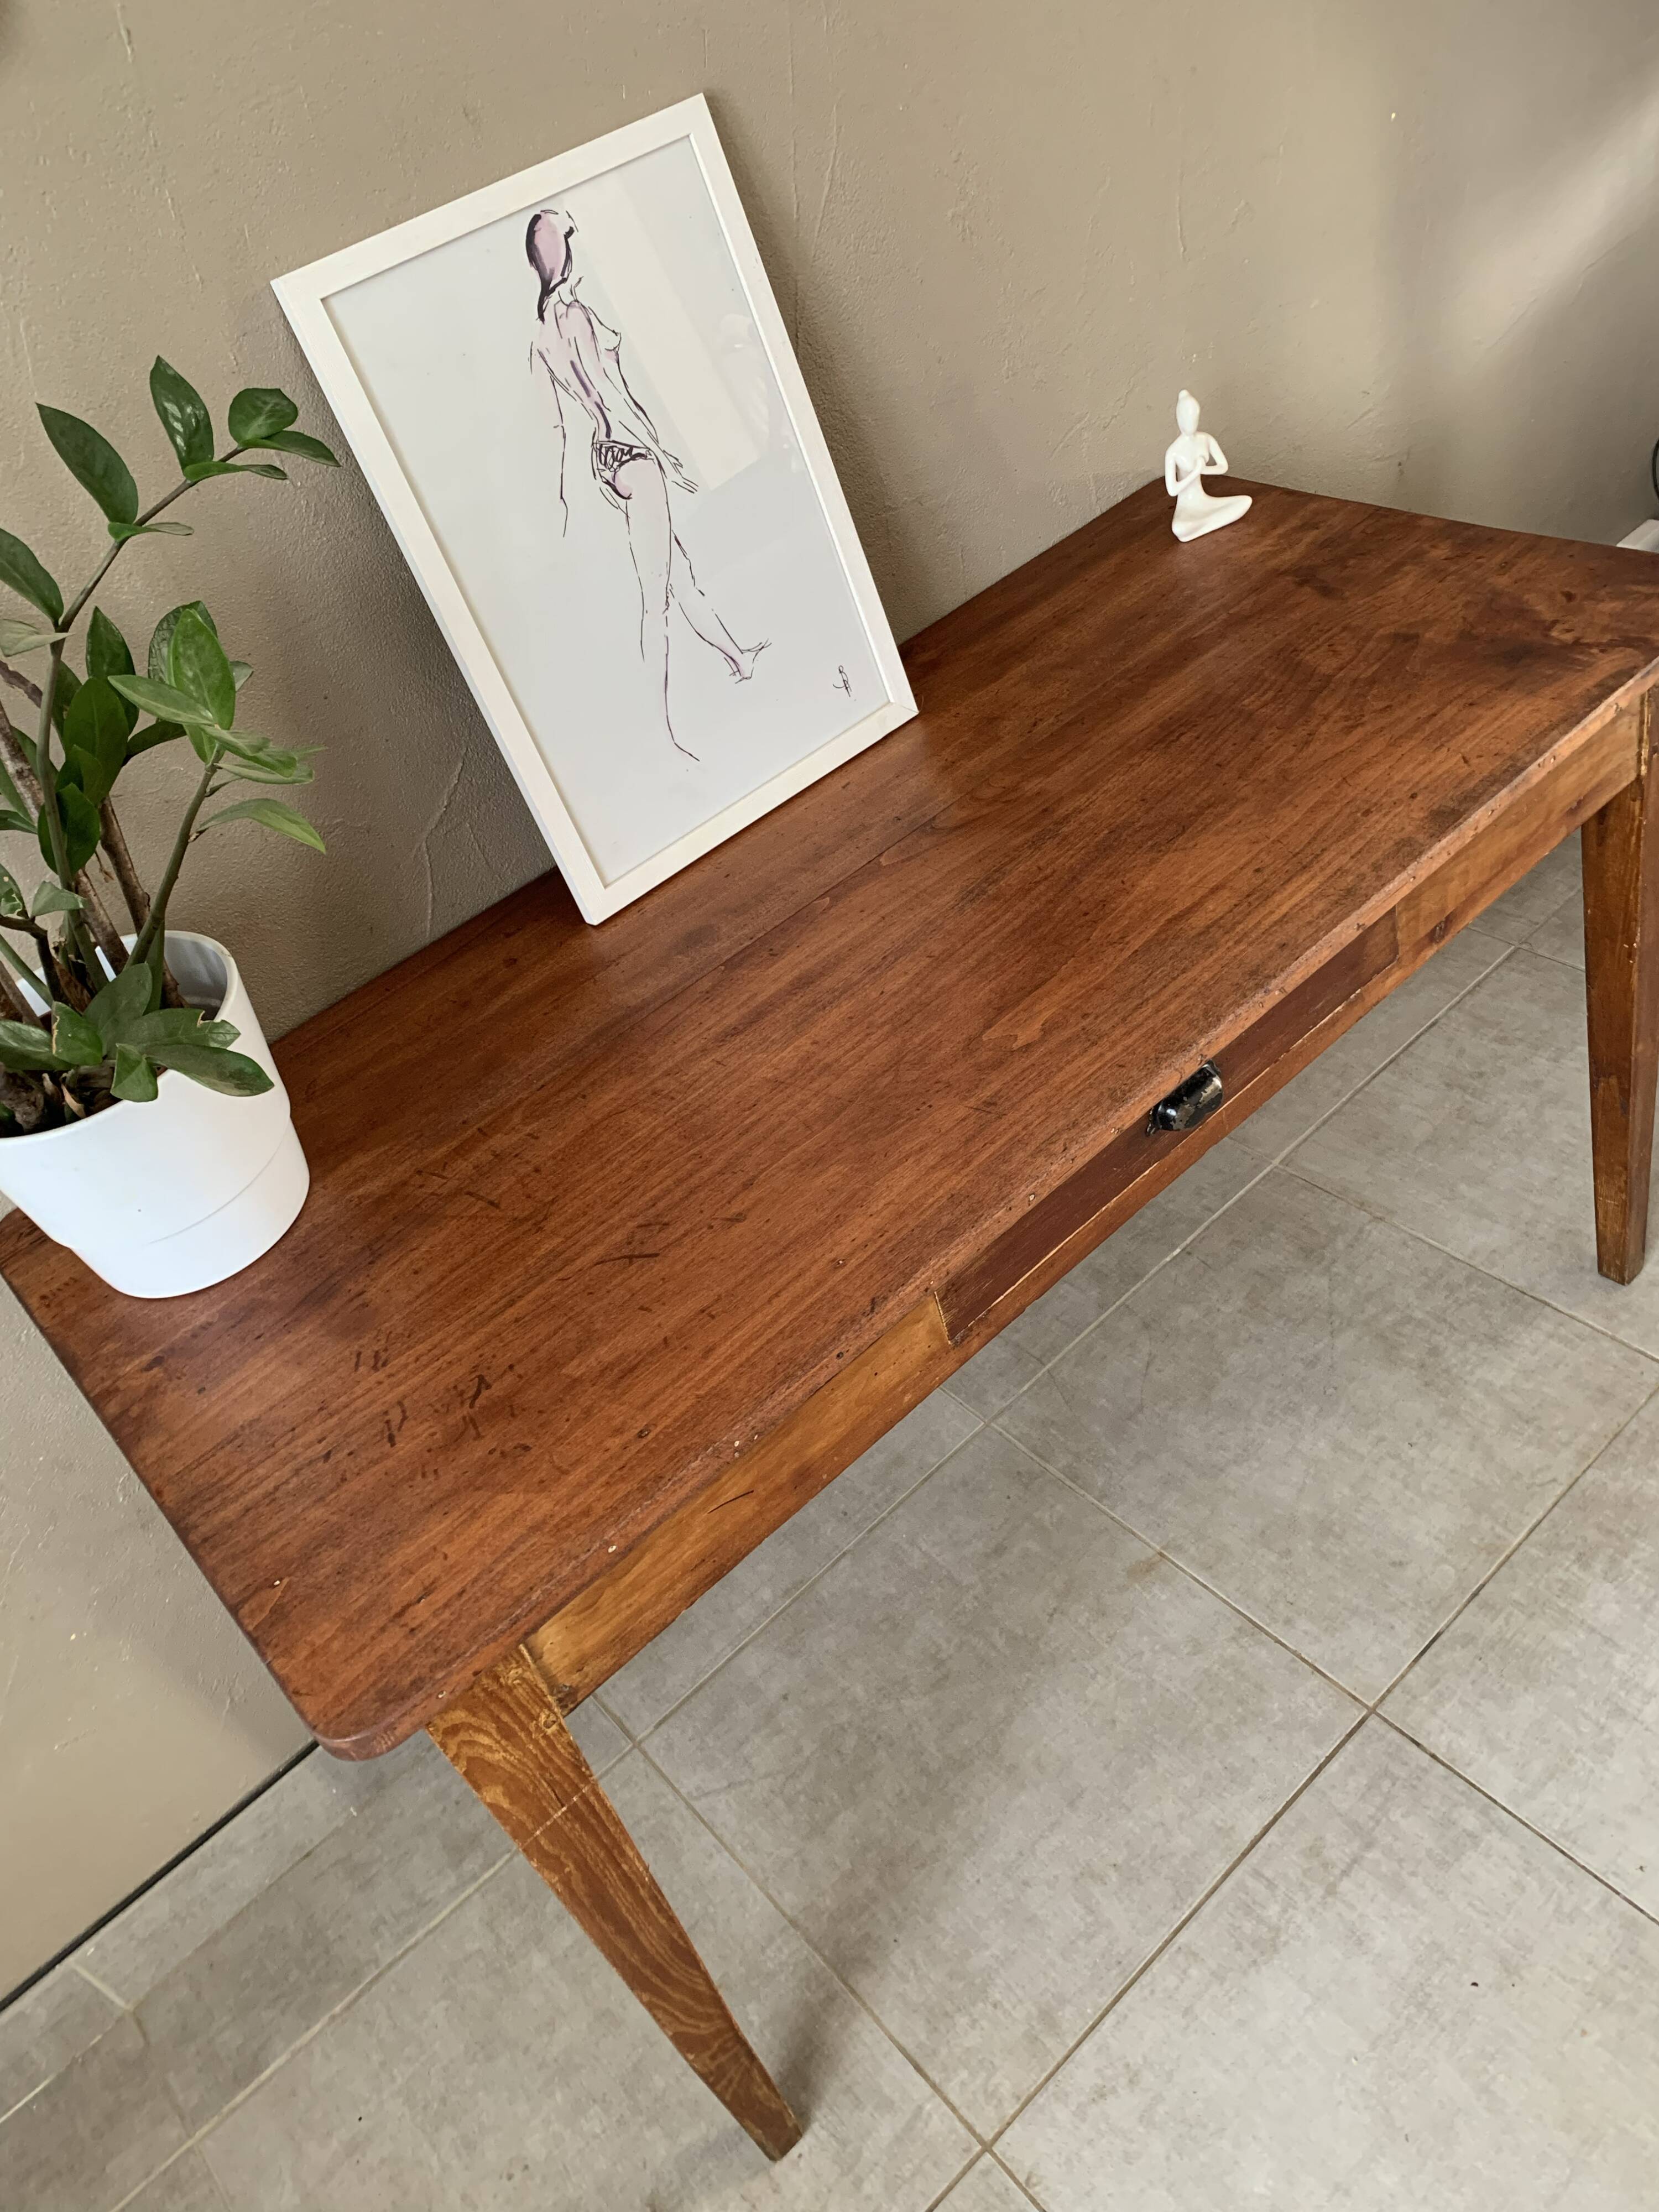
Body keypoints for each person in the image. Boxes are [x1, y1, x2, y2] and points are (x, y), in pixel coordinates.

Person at [526, 208, 765, 759]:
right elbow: (615, 396)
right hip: (634, 455)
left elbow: (557, 428)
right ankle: (659, 734)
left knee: (680, 575)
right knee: (655, 598)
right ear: (565, 254)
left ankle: (739, 658)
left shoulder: (538, 338)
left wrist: (569, 494)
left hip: (605, 459)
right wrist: (663, 454)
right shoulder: (577, 316)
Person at [1164, 390, 1251, 543]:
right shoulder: (1174, 451)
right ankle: (1202, 525)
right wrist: (1195, 472)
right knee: (1180, 529)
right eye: (1187, 419)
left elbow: (1223, 467)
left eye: (1194, 418)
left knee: (1245, 501)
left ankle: (1205, 524)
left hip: (1204, 500)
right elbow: (1172, 490)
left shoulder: (1206, 439)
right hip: (1187, 506)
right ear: (1179, 418)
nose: (1191, 423)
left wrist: (1204, 470)